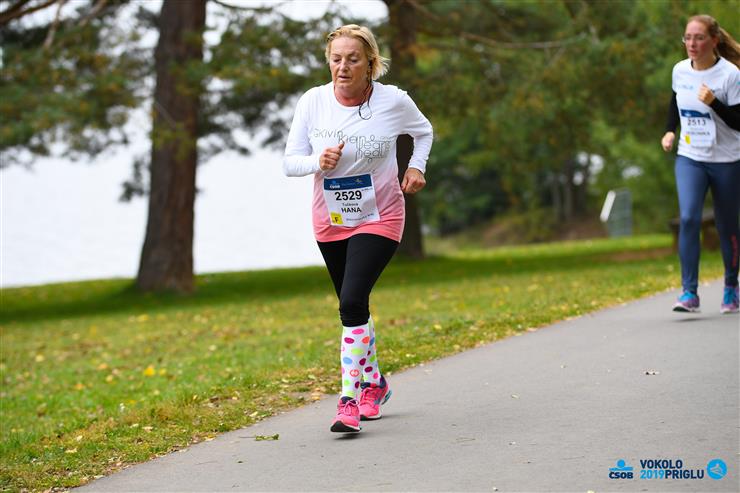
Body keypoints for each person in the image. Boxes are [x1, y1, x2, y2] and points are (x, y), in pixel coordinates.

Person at [283, 25, 433, 432]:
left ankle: (348, 401)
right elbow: (290, 162)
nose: (343, 67)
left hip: (380, 216)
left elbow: (423, 132)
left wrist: (416, 167)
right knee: (356, 308)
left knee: (350, 302)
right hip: (331, 220)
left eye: (352, 59)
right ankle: (375, 384)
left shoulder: (393, 100)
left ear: (370, 63)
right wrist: (317, 161)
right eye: (336, 59)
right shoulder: (313, 102)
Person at [661, 14, 740, 314]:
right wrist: (670, 131)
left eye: (699, 38)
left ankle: (731, 287)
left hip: (727, 159)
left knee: (727, 224)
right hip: (691, 156)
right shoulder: (680, 70)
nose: (692, 44)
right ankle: (689, 292)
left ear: (714, 41)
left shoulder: (730, 75)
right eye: (688, 38)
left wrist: (714, 103)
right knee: (689, 218)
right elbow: (675, 102)